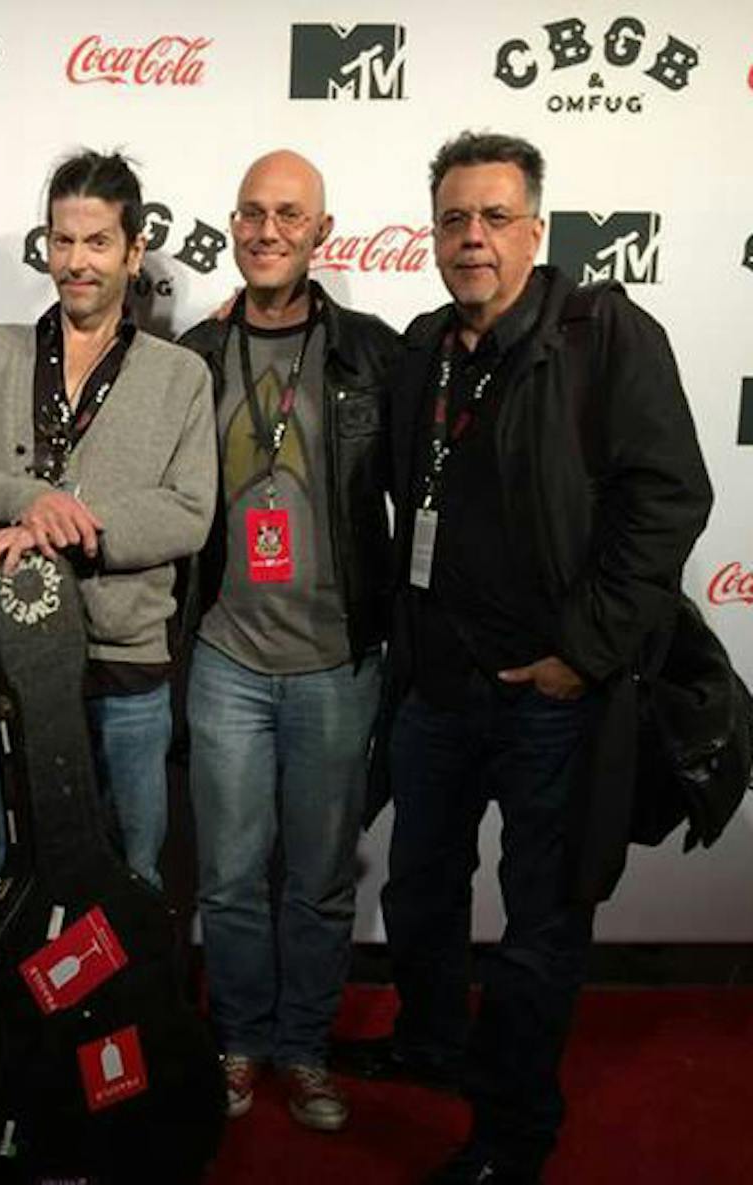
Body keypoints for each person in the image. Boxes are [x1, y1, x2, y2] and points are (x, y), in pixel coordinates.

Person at [340, 131, 712, 1183]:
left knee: (539, 928)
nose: (472, 238)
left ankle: (510, 1136)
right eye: (453, 218)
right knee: (417, 889)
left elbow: (667, 498)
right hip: (435, 692)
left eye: (494, 217)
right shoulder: (421, 347)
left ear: (533, 231)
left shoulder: (601, 335)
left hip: (552, 698)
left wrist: (580, 654)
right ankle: (426, 1039)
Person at [0, 150, 217, 1170]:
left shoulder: (179, 375)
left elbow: (186, 514)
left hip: (121, 675)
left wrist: (57, 526)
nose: (75, 260)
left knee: (124, 886)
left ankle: (109, 1086)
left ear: (134, 250)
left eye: (97, 241)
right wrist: (14, 500)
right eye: (62, 239)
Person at [176, 150, 398, 1131]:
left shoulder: (371, 354)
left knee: (313, 882)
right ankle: (237, 1039)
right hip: (225, 657)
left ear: (321, 232)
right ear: (231, 224)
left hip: (336, 664)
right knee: (226, 881)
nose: (268, 231)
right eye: (252, 213)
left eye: (289, 215)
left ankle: (303, 1047)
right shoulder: (191, 352)